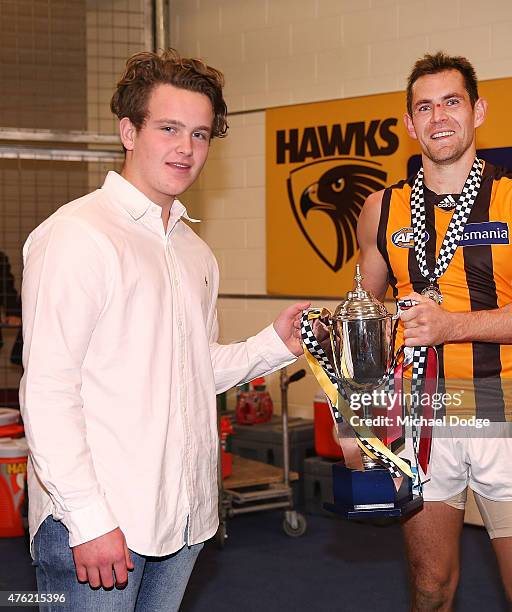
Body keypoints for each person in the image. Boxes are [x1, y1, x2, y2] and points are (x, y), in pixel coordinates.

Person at [20, 49, 307, 611]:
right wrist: (90, 518)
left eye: (201, 135)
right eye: (170, 128)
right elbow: (48, 392)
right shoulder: (79, 236)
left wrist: (274, 345)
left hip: (181, 521)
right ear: (129, 131)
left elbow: (190, 367)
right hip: (99, 523)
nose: (187, 149)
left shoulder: (194, 251)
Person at [357, 52, 512, 611]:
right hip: (420, 412)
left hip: (502, 406)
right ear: (409, 124)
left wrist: (454, 324)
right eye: (423, 107)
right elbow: (362, 314)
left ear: (477, 111)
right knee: (430, 585)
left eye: (451, 102)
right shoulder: (382, 208)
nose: (438, 118)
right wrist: (356, 416)